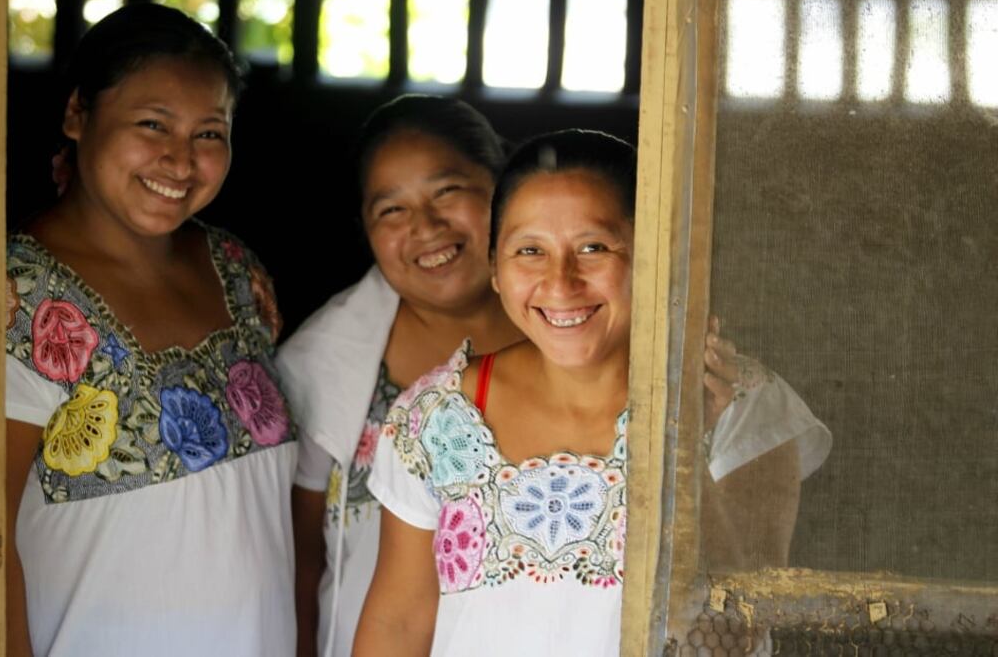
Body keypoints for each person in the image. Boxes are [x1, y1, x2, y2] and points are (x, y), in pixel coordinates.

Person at [354, 130, 831, 655]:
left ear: (651, 258)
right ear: (495, 268)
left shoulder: (739, 402)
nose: (561, 282)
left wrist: (683, 442)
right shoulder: (436, 419)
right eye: (529, 250)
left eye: (593, 247)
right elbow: (397, 626)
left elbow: (740, 632)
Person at [4, 5, 296, 656]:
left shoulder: (235, 270)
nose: (180, 160)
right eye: (152, 124)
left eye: (209, 133)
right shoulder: (13, 299)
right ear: (77, 114)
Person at [277, 94, 524, 657]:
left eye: (447, 192)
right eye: (392, 210)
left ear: (503, 184)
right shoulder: (321, 364)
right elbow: (300, 559)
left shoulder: (577, 326)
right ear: (365, 229)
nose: (427, 227)